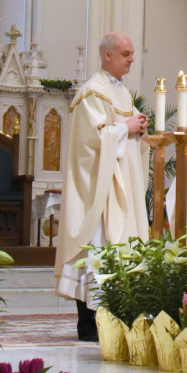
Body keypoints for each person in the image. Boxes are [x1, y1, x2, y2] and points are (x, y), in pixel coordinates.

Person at [55, 33, 149, 341]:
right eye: (126, 54)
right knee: (97, 247)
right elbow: (89, 143)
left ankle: (116, 316)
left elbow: (123, 135)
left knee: (117, 249)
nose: (131, 59)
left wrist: (138, 129)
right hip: (101, 190)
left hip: (121, 184)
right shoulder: (92, 92)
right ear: (107, 55)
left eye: (132, 53)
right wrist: (126, 127)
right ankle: (90, 323)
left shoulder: (121, 93)